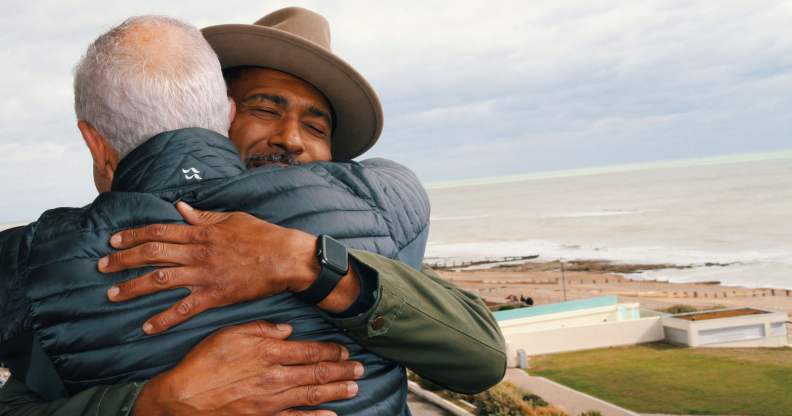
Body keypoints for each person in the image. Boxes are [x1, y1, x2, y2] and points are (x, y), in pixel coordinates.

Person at [0, 9, 505, 416]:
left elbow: (477, 352)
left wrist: (302, 262)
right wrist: (158, 404)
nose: (290, 138)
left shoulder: (353, 234)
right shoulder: (86, 249)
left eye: (316, 125)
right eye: (266, 109)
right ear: (218, 115)